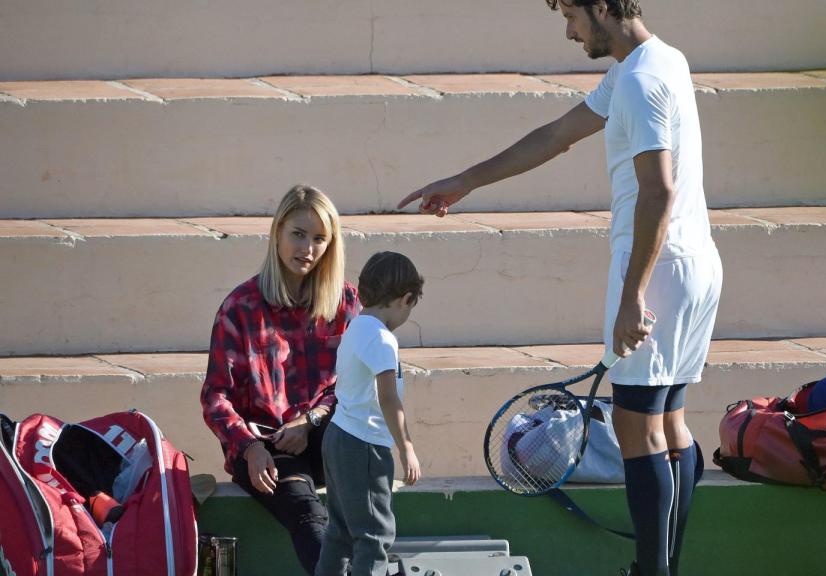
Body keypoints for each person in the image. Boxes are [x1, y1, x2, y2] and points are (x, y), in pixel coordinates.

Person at [397, 1, 722, 574]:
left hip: (656, 268)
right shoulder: (653, 62)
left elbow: (658, 192)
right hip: (694, 266)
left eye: (572, 15)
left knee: (635, 425)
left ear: (602, 6)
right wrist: (463, 182)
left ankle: (653, 570)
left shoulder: (643, 78)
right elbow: (556, 135)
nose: (569, 31)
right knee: (670, 422)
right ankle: (664, 565)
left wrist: (631, 296)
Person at [200, 184, 360, 575]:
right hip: (265, 448)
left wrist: (311, 421)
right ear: (278, 233)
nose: (307, 248)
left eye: (320, 239)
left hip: (324, 434)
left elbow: (355, 387)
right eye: (298, 234)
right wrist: (250, 447)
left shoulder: (345, 303)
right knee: (307, 513)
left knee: (366, 484)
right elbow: (215, 397)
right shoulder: (241, 308)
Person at [315, 251, 424, 576]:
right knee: (374, 534)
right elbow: (388, 398)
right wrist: (406, 447)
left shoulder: (356, 328)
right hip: (363, 447)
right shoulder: (381, 339)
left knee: (341, 531)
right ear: (405, 299)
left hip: (338, 438)